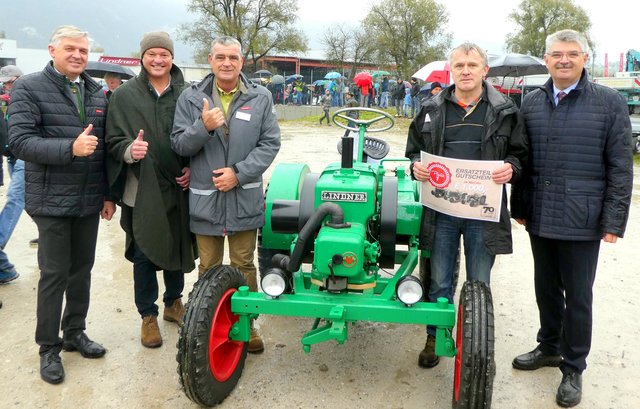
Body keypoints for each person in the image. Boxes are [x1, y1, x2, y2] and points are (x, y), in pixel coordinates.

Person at [510, 29, 633, 408]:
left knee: (578, 295)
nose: (564, 60)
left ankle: (573, 366)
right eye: (557, 54)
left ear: (584, 58)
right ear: (546, 59)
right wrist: (520, 207)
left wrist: (613, 221)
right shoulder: (530, 102)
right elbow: (521, 157)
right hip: (540, 215)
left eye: (572, 54)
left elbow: (620, 166)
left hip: (583, 217)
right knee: (545, 286)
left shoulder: (608, 103)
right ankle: (548, 346)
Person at [405, 42, 527, 369]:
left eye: (472, 64)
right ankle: (435, 337)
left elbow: (520, 155)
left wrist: (511, 168)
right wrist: (415, 166)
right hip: (441, 212)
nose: (466, 70)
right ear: (451, 70)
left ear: (485, 70)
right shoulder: (431, 108)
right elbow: (414, 151)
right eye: (459, 65)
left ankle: (475, 347)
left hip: (482, 216)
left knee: (478, 284)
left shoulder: (505, 111)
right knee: (439, 280)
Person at [8, 25, 116, 385]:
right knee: (54, 274)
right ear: (53, 49)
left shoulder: (97, 92)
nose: (77, 56)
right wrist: (69, 148)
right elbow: (20, 142)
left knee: (81, 270)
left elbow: (101, 152)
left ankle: (74, 333)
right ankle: (48, 347)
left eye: (83, 51)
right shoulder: (29, 87)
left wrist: (106, 194)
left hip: (87, 199)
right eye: (70, 49)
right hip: (51, 199)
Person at [171, 35, 281, 354]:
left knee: (244, 264)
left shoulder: (260, 97)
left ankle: (247, 324)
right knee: (208, 266)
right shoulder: (191, 98)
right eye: (220, 57)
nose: (226, 63)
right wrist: (203, 127)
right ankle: (207, 326)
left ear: (242, 61)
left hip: (244, 197)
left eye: (233, 57)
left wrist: (239, 173)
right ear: (210, 59)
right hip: (205, 200)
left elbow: (270, 144)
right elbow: (179, 144)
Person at [105, 31, 196, 349]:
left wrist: (191, 169)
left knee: (175, 246)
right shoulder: (124, 96)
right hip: (141, 187)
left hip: (178, 186)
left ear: (172, 58)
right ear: (142, 57)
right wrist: (131, 150)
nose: (158, 60)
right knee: (144, 250)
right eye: (152, 54)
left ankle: (173, 303)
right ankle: (148, 315)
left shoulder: (187, 93)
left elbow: (198, 138)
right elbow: (112, 142)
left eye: (164, 54)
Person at [0, 65, 25, 285]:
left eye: (11, 81)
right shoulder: (7, 101)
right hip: (11, 157)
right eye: (5, 82)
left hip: (26, 159)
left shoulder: (28, 96)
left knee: (15, 199)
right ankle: (51, 239)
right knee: (26, 202)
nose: (8, 85)